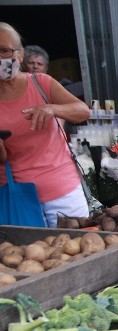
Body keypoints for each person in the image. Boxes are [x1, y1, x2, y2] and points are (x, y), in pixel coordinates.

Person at [0, 22, 91, 228]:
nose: (0, 58)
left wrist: (53, 109)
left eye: (4, 50)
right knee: (26, 257)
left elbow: (83, 111)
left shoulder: (41, 83)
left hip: (62, 192)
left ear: (20, 55)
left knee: (82, 253)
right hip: (15, 198)